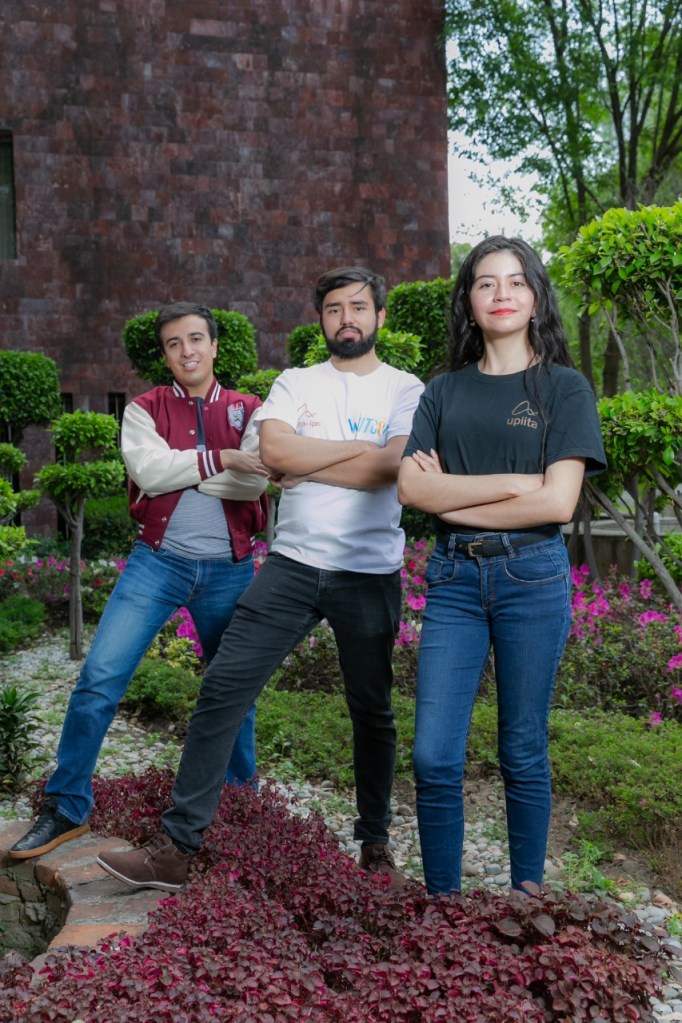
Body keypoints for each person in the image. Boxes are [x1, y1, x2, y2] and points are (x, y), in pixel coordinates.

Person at [96, 265, 424, 892]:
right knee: (222, 687)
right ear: (321, 319)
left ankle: (376, 847)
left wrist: (315, 459)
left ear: (379, 317)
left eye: (358, 307)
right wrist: (357, 451)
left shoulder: (406, 389)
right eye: (334, 308)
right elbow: (275, 455)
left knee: (372, 710)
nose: (346, 318)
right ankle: (176, 848)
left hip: (368, 572)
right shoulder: (295, 381)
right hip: (292, 566)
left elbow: (393, 468)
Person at [9, 302, 269, 860]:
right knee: (99, 677)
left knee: (235, 691)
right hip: (158, 562)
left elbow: (253, 485)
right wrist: (221, 460)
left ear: (214, 345)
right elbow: (147, 473)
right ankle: (66, 805)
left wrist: (183, 469)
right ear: (166, 354)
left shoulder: (251, 409)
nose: (187, 351)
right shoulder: (143, 409)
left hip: (231, 568)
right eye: (174, 343)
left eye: (196, 339)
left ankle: (239, 807)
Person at [397, 236, 607, 896]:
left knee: (521, 747)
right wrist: (514, 485)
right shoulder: (442, 391)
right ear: (469, 301)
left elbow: (558, 502)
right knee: (433, 755)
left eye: (516, 282)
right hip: (454, 580)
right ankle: (442, 908)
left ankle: (525, 902)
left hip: (532, 578)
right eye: (486, 283)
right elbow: (411, 489)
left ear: (536, 297)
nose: (502, 294)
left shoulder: (564, 388)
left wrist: (452, 495)